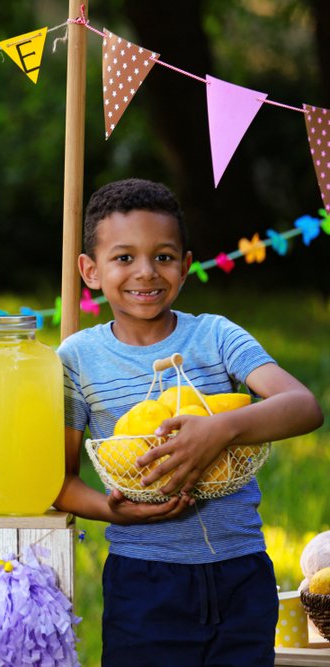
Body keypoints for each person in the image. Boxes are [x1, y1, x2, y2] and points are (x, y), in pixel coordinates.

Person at [54, 178, 324, 666]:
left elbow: (303, 406)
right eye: (123, 258)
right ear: (90, 271)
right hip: (145, 580)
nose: (145, 272)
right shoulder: (78, 358)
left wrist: (219, 430)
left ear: (184, 265)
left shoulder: (216, 337)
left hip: (241, 572)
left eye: (163, 256)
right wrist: (113, 511)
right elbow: (58, 480)